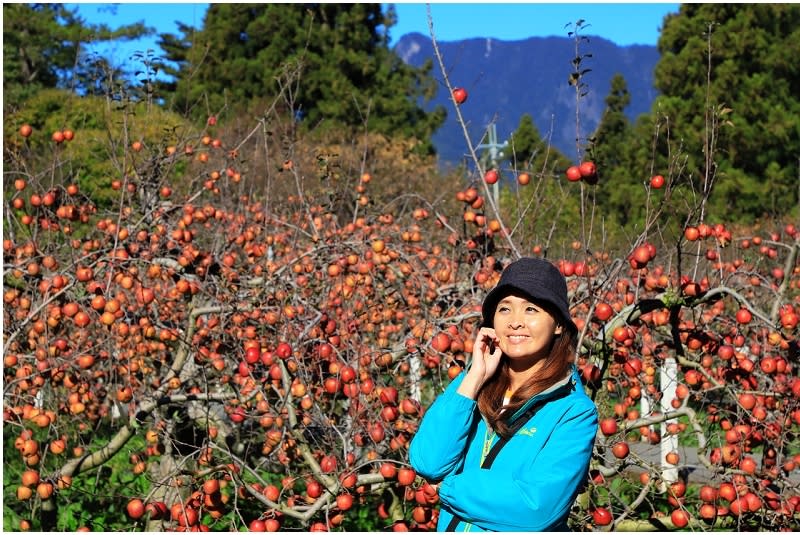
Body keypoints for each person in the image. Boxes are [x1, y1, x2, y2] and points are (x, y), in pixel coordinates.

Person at [409, 257, 598, 532]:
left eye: (531, 309)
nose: (515, 322)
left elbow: (536, 508)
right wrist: (473, 377)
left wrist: (450, 487)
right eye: (505, 309)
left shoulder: (573, 412)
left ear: (558, 324)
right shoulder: (473, 388)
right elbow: (429, 461)